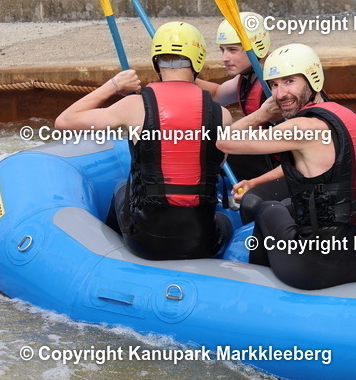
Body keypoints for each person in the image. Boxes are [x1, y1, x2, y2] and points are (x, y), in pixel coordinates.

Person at [55, 21, 232, 260]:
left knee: (121, 189)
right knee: (224, 220)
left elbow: (64, 121)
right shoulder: (222, 114)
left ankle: (111, 261)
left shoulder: (133, 106)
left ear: (156, 61)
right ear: (198, 60)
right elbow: (216, 166)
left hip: (147, 240)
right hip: (201, 241)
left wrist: (114, 85)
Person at [217, 43, 356, 289]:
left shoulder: (301, 127)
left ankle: (255, 288)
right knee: (293, 204)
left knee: (268, 209)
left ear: (313, 79)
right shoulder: (348, 118)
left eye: (289, 81)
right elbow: (311, 165)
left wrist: (262, 115)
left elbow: (223, 141)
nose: (280, 94)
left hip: (316, 267)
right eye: (274, 85)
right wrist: (256, 182)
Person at [196, 13, 281, 182]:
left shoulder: (275, 81)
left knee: (214, 143)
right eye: (222, 50)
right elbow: (216, 95)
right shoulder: (251, 75)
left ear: (256, 46)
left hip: (283, 168)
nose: (224, 58)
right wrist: (183, 72)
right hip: (270, 157)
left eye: (232, 50)